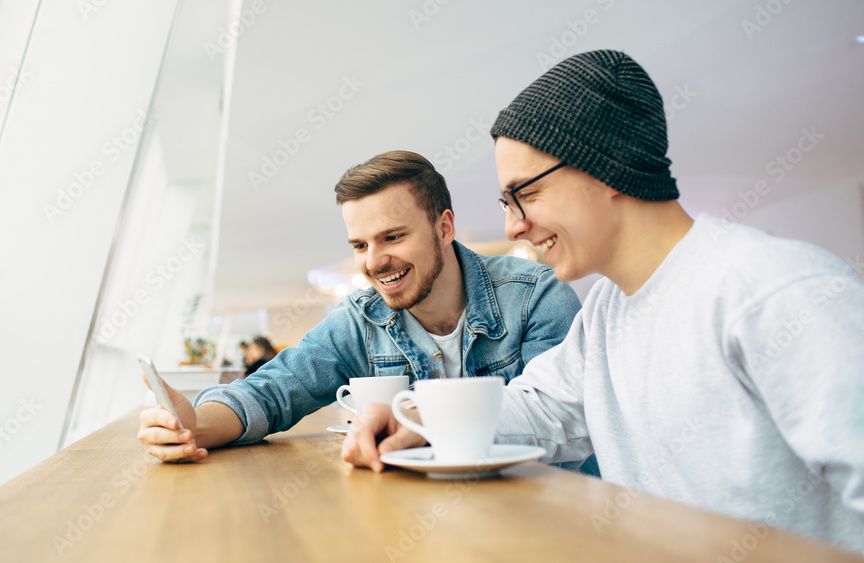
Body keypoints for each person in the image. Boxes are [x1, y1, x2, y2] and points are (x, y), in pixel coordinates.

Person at [343, 51, 864, 552]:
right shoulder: (607, 311)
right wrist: (411, 418)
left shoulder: (774, 288)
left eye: (525, 193)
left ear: (605, 166)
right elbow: (544, 408)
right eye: (508, 202)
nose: (513, 226)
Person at [137, 150, 585, 468]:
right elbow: (271, 391)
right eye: (359, 244)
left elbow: (555, 424)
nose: (373, 262)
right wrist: (194, 426)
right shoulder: (361, 318)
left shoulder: (535, 297)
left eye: (392, 237)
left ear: (444, 226)